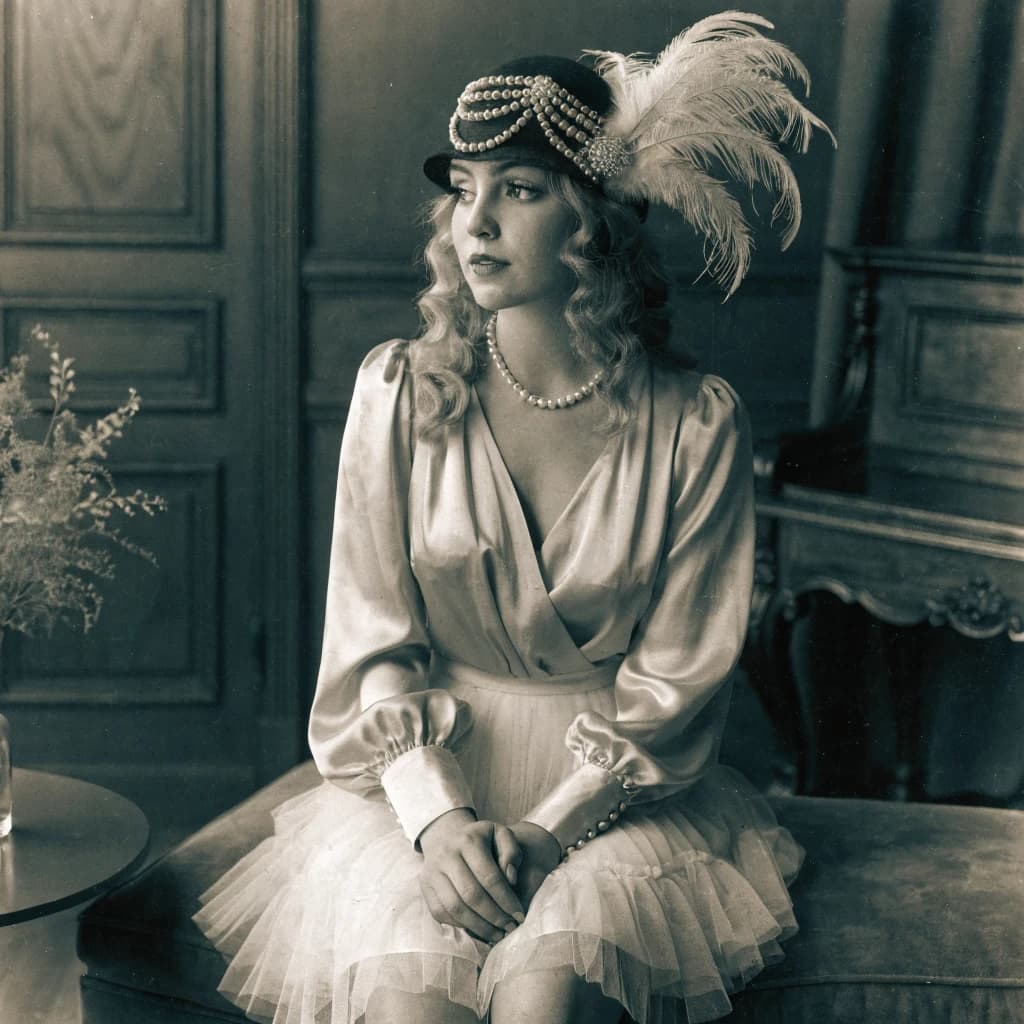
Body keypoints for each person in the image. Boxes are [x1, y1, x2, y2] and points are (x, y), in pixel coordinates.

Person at [195, 13, 832, 1024]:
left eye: (521, 190)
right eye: (464, 190)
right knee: (410, 1000)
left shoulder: (694, 421)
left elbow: (676, 680)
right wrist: (439, 821)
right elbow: (370, 646)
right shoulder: (401, 392)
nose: (477, 222)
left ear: (597, 220)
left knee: (547, 994)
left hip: (613, 789)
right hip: (427, 771)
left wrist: (547, 831)